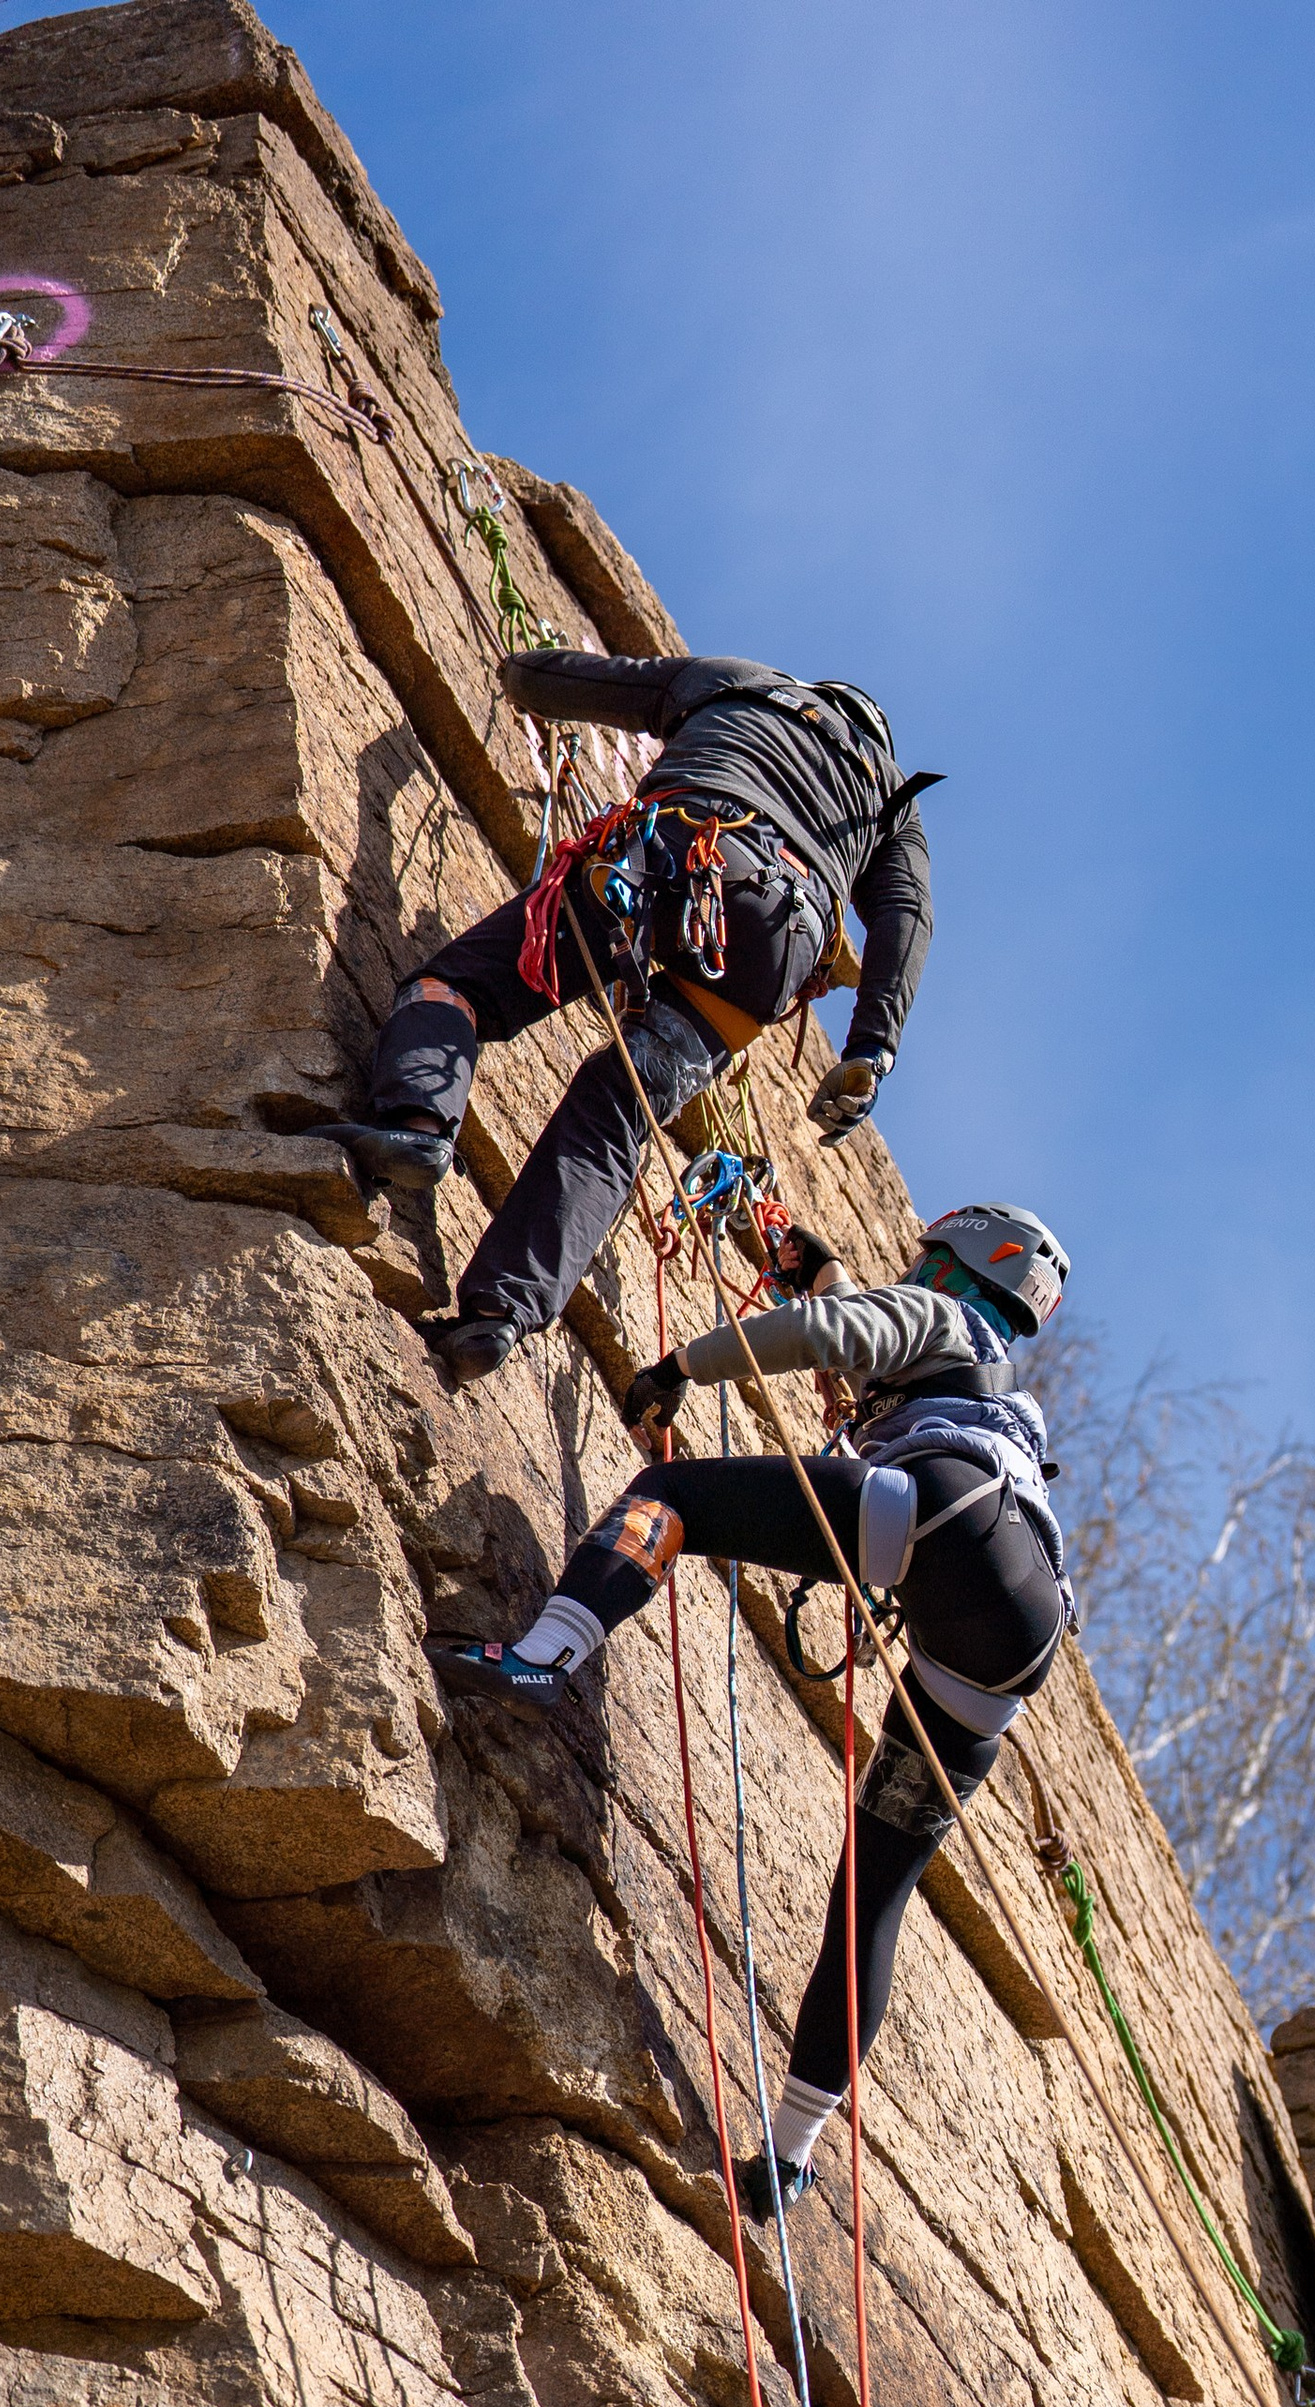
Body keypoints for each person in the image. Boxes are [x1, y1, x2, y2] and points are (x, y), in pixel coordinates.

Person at [433, 1206, 1069, 2203]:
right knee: (872, 1895)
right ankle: (792, 2152)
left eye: (923, 1263)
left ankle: (545, 1655)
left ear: (953, 1266)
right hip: (1006, 1643)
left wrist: (680, 1367)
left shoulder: (944, 1320)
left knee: (668, 1495)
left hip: (943, 1518)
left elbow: (833, 1337)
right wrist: (821, 1272)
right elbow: (851, 1327)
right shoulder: (989, 1380)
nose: (913, 1273)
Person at [343, 654, 937, 1388]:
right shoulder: (892, 807)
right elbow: (907, 920)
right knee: (618, 1108)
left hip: (677, 852)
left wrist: (520, 672)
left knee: (459, 987)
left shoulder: (747, 684)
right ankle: (499, 1313)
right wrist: (872, 1049)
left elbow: (552, 681)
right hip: (777, 945)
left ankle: (417, 1124)